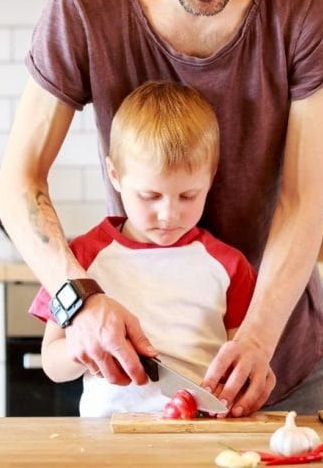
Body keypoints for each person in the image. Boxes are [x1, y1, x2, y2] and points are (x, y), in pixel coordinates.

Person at [0, 0, 323, 417]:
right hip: (144, 377)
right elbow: (19, 179)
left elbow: (302, 200)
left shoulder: (307, 4)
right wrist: (76, 299)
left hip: (277, 357)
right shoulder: (86, 2)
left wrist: (259, 337)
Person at [27, 80, 257, 417]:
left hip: (198, 437)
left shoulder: (229, 266)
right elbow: (52, 363)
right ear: (115, 175)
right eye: (150, 196)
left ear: (211, 178)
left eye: (188, 196)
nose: (169, 214)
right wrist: (79, 349)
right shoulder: (82, 257)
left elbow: (241, 365)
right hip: (106, 440)